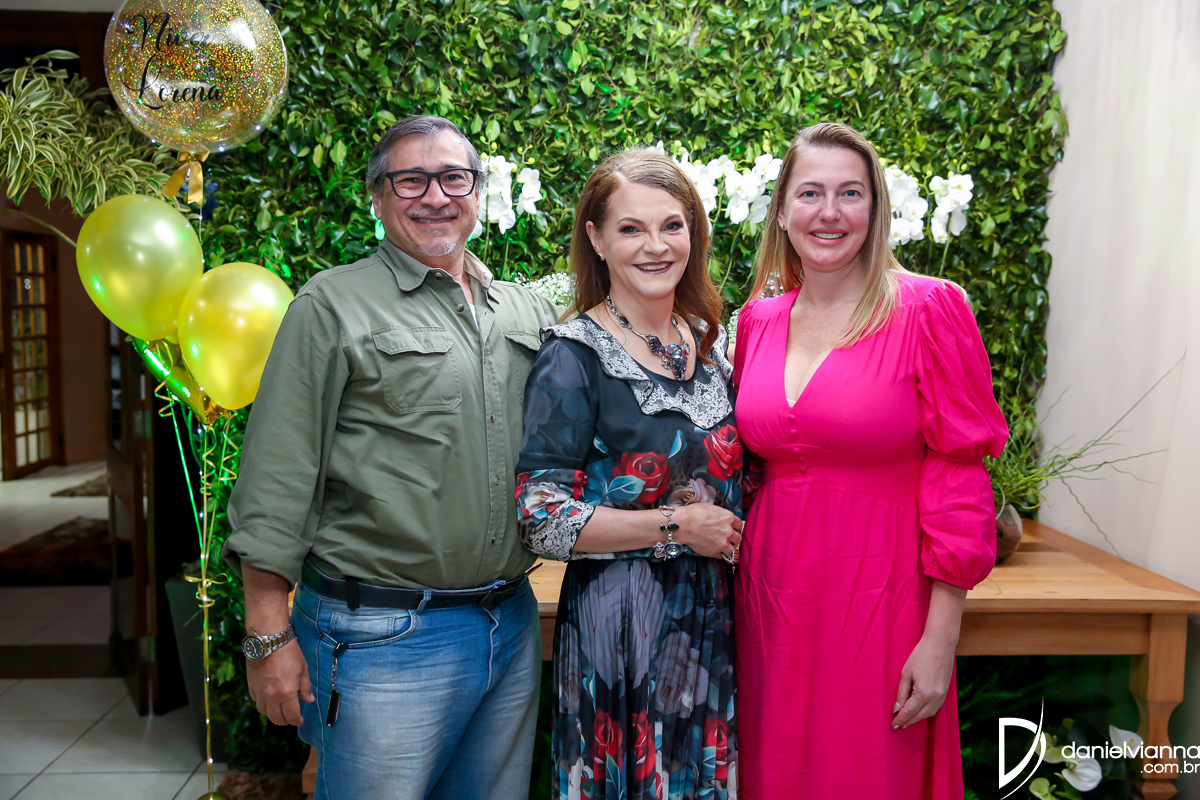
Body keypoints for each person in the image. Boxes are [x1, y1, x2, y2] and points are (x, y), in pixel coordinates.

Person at [221, 114, 560, 800]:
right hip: (381, 636)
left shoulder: (524, 312)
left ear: (478, 191)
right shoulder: (332, 305)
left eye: (454, 178)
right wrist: (267, 636)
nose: (435, 196)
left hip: (510, 624)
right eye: (411, 180)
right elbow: (277, 475)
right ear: (378, 197)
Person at [731, 123, 1008, 799]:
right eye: (810, 193)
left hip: (883, 597)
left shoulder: (929, 309)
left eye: (850, 193)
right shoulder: (757, 321)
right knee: (775, 771)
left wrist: (940, 639)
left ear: (875, 208)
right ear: (782, 211)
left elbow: (960, 475)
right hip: (770, 602)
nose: (829, 212)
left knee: (869, 771)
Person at [515, 149, 744, 800]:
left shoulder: (711, 346)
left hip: (712, 629)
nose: (656, 246)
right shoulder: (574, 357)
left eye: (672, 226)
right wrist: (677, 525)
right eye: (631, 228)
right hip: (621, 635)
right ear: (596, 239)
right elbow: (538, 517)